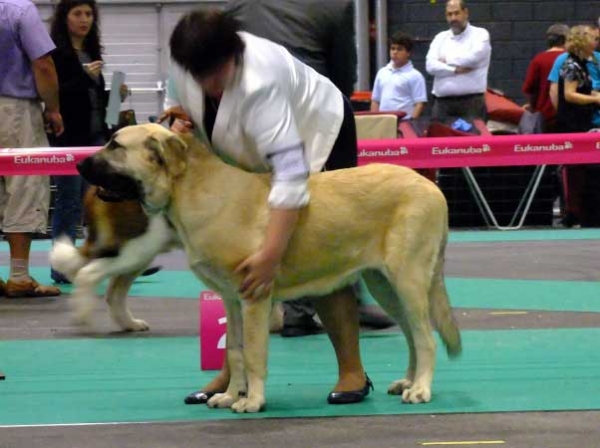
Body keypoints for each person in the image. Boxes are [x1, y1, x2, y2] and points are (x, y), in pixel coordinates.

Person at [163, 9, 372, 406]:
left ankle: (352, 370)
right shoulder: (185, 59)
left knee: (319, 253)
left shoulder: (261, 82)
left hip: (316, 133)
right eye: (199, 76)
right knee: (231, 264)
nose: (208, 85)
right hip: (243, 148)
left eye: (216, 75)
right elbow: (177, 108)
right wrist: (179, 122)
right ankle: (232, 374)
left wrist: (271, 255)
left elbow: (290, 177)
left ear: (234, 57)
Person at [225, 0, 395, 337]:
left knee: (272, 210)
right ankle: (341, 298)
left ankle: (294, 308)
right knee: (337, 213)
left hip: (258, 117)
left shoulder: (236, 7)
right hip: (318, 113)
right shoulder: (334, 6)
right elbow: (344, 70)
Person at [48, 0, 128, 283]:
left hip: (96, 134)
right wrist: (84, 78)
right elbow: (54, 94)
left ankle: (104, 258)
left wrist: (117, 94)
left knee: (95, 201)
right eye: (77, 14)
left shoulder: (91, 51)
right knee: (69, 200)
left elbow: (95, 98)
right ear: (65, 17)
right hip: (68, 136)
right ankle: (60, 266)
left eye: (89, 14)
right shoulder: (55, 53)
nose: (84, 20)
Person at [0, 0, 63, 298]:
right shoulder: (19, 10)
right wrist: (53, 108)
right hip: (14, 110)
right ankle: (19, 277)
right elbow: (43, 64)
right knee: (23, 185)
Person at [425, 0, 491, 122]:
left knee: (472, 141)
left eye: (456, 13)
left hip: (472, 104)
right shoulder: (440, 38)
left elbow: (473, 58)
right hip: (442, 105)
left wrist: (446, 60)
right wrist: (454, 70)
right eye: (449, 14)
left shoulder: (480, 34)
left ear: (466, 13)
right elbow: (430, 66)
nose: (453, 18)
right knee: (440, 140)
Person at [522, 24, 569, 133]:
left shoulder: (539, 60)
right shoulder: (571, 59)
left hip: (544, 115)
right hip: (569, 113)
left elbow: (530, 88)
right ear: (565, 39)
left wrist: (533, 106)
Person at [371, 31, 427, 119]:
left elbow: (419, 104)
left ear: (408, 53)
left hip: (404, 123)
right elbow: (375, 101)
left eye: (399, 49)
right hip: (383, 122)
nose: (395, 52)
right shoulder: (382, 72)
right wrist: (374, 121)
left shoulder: (415, 76)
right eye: (392, 48)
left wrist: (411, 122)